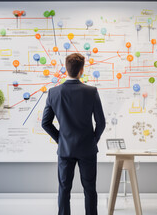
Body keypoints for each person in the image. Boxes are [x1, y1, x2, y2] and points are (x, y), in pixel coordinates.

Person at [42, 53, 106, 215]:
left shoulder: (53, 93)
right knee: (90, 189)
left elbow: (45, 123)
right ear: (82, 70)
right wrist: (92, 141)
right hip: (87, 149)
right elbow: (101, 123)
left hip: (65, 150)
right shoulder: (91, 91)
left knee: (64, 189)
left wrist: (61, 140)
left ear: (66, 69)